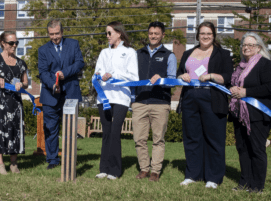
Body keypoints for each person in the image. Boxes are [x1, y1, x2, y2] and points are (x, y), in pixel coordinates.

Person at [176, 21, 232, 188]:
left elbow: (228, 77)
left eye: (208, 33)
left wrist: (211, 75)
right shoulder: (187, 53)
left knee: (214, 139)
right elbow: (179, 73)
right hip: (189, 98)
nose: (205, 36)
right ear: (197, 35)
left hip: (212, 98)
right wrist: (182, 77)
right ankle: (193, 174)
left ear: (213, 35)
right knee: (192, 138)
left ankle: (213, 178)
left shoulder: (223, 54)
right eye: (202, 34)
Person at [94, 21, 139, 180]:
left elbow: (134, 77)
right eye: (106, 33)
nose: (107, 36)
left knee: (115, 132)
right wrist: (99, 75)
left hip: (121, 98)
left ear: (119, 33)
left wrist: (114, 76)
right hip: (104, 97)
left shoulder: (130, 52)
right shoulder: (103, 53)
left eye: (109, 33)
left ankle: (115, 170)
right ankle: (103, 168)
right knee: (106, 132)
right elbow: (97, 73)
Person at [132, 21, 177, 182]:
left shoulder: (169, 55)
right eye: (151, 33)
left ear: (163, 35)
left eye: (156, 33)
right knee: (139, 138)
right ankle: (144, 169)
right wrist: (132, 99)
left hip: (160, 102)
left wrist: (162, 79)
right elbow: (131, 77)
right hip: (139, 102)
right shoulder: (138, 54)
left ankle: (155, 171)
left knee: (158, 139)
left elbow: (173, 80)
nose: (153, 36)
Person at [38, 19, 84, 170]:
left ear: (62, 32)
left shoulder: (73, 44)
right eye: (51, 34)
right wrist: (53, 84)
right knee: (50, 128)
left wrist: (64, 74)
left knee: (70, 128)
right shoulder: (43, 50)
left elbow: (79, 63)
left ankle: (69, 157)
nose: (54, 37)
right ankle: (52, 159)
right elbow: (43, 72)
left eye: (57, 33)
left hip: (70, 92)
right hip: (50, 94)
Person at [229, 32, 271, 193]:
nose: (246, 48)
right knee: (242, 149)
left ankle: (257, 186)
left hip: (258, 115)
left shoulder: (265, 64)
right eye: (244, 45)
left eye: (250, 45)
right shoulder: (240, 66)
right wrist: (233, 88)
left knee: (257, 149)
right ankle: (244, 182)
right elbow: (234, 85)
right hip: (239, 114)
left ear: (258, 48)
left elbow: (269, 87)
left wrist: (246, 92)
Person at [0, 31, 29, 175]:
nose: (14, 45)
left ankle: (14, 164)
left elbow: (26, 82)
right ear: (3, 43)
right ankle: (0, 165)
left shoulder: (21, 63)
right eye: (11, 43)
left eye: (16, 43)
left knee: (14, 131)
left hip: (15, 103)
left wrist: (21, 85)